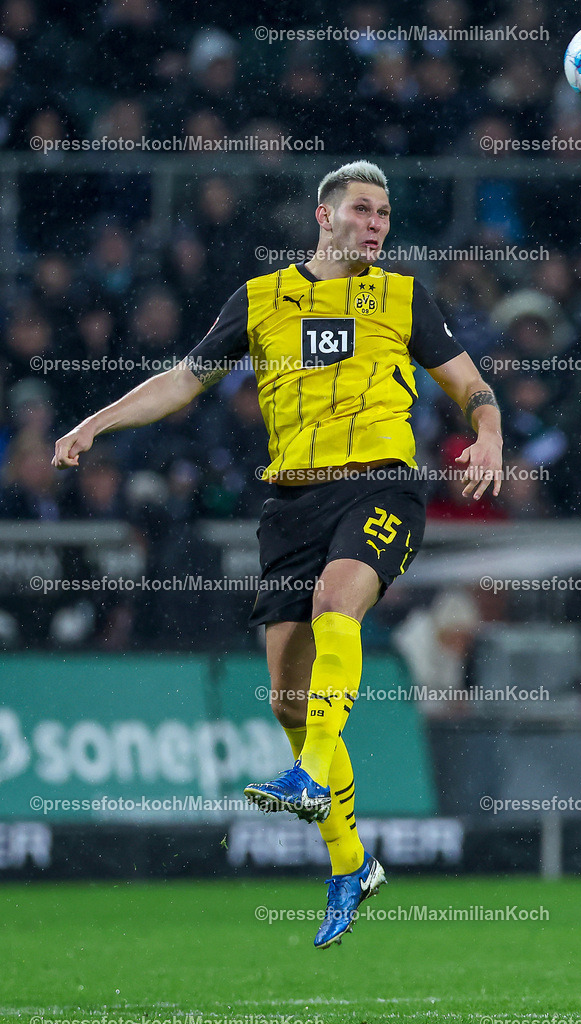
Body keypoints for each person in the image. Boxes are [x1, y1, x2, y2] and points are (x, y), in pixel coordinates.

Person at [52, 160, 503, 948]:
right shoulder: (262, 298)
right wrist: (98, 421)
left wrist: (490, 432)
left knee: (339, 603)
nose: (376, 225)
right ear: (322, 216)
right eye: (363, 210)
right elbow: (185, 380)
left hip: (377, 486)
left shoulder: (402, 297)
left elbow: (468, 385)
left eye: (386, 214)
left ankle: (308, 775)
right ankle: (350, 863)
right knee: (290, 704)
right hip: (291, 503)